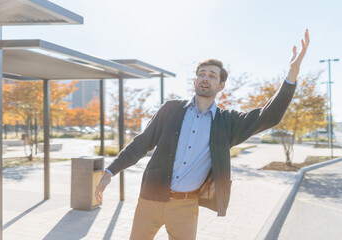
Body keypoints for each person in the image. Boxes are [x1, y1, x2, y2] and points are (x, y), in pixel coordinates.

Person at [95, 29, 310, 240]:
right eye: (201, 74)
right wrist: (110, 171)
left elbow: (269, 116)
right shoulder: (170, 109)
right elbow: (141, 143)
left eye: (212, 75)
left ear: (221, 85)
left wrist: (292, 73)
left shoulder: (228, 122)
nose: (205, 78)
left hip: (186, 206)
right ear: (195, 81)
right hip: (150, 199)